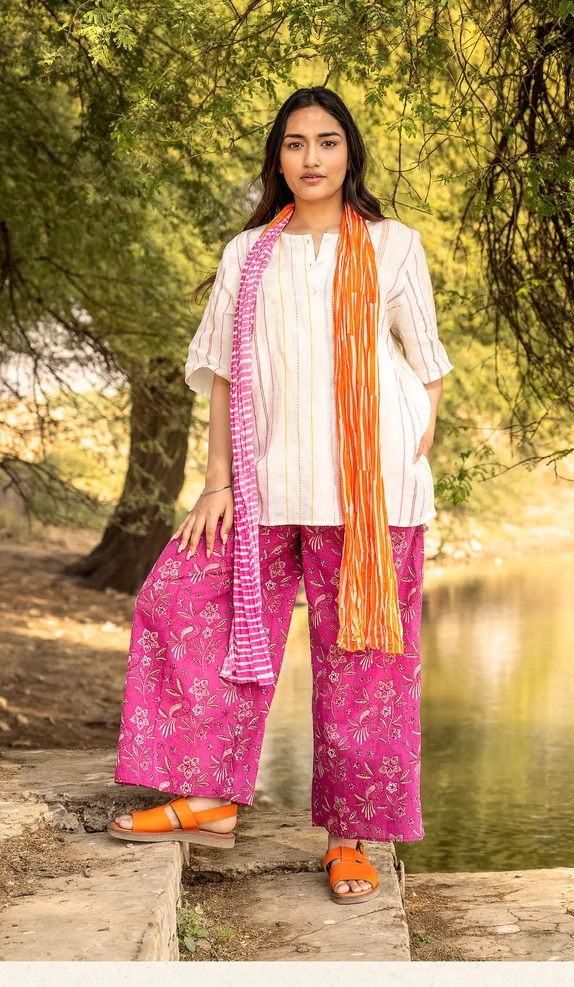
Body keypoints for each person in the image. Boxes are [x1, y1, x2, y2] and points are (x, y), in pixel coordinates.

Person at [108, 86, 454, 903]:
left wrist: (402, 446)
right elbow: (225, 373)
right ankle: (208, 796)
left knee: (366, 669)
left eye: (326, 142)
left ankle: (351, 840)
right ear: (278, 158)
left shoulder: (395, 246)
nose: (311, 158)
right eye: (295, 144)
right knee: (181, 603)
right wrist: (215, 484)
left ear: (349, 154)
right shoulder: (245, 255)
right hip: (264, 484)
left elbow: (427, 362)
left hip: (373, 501)